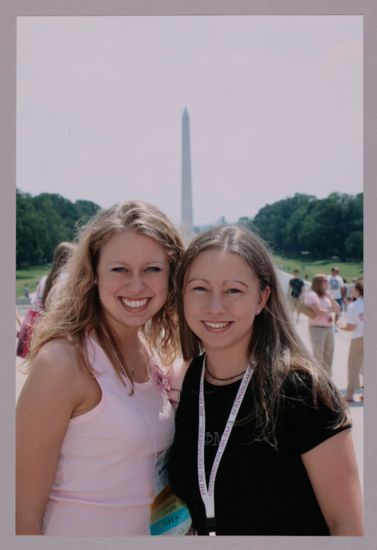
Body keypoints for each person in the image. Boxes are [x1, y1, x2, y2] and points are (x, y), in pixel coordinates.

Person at [168, 225, 363, 536]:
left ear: (262, 298)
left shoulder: (303, 391)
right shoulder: (184, 384)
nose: (215, 306)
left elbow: (348, 526)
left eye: (233, 290)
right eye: (200, 288)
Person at [16, 200, 185, 535]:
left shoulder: (154, 356)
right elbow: (20, 516)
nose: (136, 286)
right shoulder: (63, 362)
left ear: (171, 276)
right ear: (94, 274)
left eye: (152, 269)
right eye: (119, 269)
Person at [305, 274, 340, 377]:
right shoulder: (312, 295)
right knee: (318, 355)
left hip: (328, 327)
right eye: (325, 281)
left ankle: (327, 377)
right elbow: (318, 311)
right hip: (317, 328)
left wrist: (331, 298)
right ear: (318, 283)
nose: (327, 282)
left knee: (329, 354)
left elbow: (338, 309)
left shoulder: (327, 295)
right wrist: (330, 310)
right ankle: (318, 378)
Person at [338, 280, 364, 403]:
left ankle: (349, 395)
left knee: (353, 367)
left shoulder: (354, 306)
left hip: (358, 338)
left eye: (353, 289)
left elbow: (351, 327)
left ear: (358, 291)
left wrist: (340, 326)